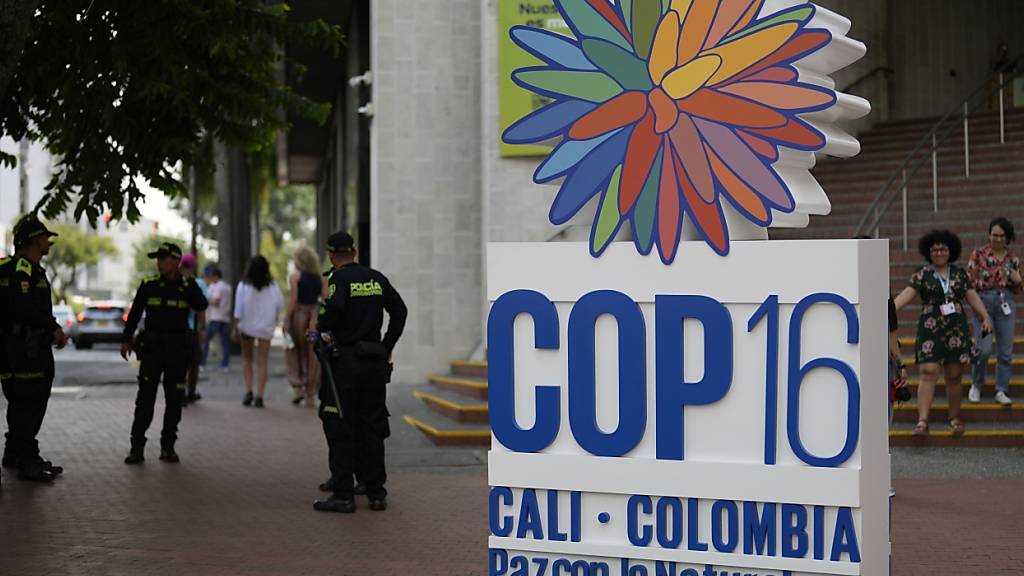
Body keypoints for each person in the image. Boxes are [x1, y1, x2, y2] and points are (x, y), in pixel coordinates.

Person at [313, 231, 407, 514]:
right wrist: (386, 346)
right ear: (354, 252)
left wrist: (322, 326)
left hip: (346, 364)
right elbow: (399, 311)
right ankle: (375, 491)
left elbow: (333, 314)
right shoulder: (376, 278)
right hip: (374, 362)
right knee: (373, 425)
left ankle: (343, 494)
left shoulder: (337, 280)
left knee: (340, 423)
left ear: (331, 255)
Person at [894, 230, 992, 437]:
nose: (939, 252)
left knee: (954, 375)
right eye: (935, 248)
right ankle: (922, 421)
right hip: (930, 328)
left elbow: (971, 296)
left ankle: (955, 418)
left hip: (956, 328)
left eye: (943, 248)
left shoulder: (958, 274)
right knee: (927, 372)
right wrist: (886, 311)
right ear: (928, 251)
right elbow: (906, 295)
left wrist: (985, 316)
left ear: (951, 250)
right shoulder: (922, 274)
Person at [121, 242, 208, 464]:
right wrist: (126, 339)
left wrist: (189, 283)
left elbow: (201, 304)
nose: (159, 263)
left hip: (177, 351)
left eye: (164, 258)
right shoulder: (149, 285)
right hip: (152, 350)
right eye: (158, 259)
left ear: (176, 261)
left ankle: (168, 446)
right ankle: (137, 447)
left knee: (174, 401)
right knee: (145, 400)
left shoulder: (187, 287)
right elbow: (134, 314)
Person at [0, 214, 68, 483]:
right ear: (31, 241)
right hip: (25, 350)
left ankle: (16, 453)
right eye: (43, 237)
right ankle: (26, 460)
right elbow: (24, 308)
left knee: (20, 402)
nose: (47, 242)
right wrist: (53, 327)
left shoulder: (23, 268)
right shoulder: (22, 270)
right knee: (29, 402)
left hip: (18, 349)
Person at [967, 218, 1020, 406]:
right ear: (988, 235)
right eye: (994, 235)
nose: (997, 239)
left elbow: (1018, 289)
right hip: (983, 302)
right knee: (983, 349)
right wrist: (981, 312)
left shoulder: (1012, 258)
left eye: (1001, 236)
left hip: (1006, 302)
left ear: (1007, 237)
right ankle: (977, 384)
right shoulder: (979, 254)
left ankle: (1001, 389)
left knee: (1005, 351)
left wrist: (1018, 280)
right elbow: (969, 283)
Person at [233, 255, 283, 408]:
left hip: (247, 326)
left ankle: (249, 391)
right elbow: (280, 304)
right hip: (265, 328)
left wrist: (236, 326)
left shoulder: (243, 285)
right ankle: (260, 396)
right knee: (263, 362)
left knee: (247, 360)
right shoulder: (273, 286)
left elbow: (238, 309)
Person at [285, 246, 327, 406]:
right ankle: (310, 392)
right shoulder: (321, 278)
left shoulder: (295, 277)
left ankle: (298, 387)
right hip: (313, 322)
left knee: (295, 351)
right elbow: (325, 299)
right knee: (313, 353)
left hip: (299, 318)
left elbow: (294, 300)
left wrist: (286, 319)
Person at [180, 253, 208, 405]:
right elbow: (201, 309)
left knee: (182, 363)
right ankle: (189, 391)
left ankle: (182, 392)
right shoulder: (198, 284)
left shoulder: (175, 282)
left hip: (179, 329)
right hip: (192, 330)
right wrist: (203, 328)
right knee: (193, 362)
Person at [200, 265, 232, 372]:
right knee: (225, 343)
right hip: (225, 318)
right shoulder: (227, 287)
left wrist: (206, 300)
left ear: (215, 276)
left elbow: (216, 301)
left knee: (206, 340)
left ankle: (202, 362)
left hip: (215, 318)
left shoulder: (218, 286)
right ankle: (225, 365)